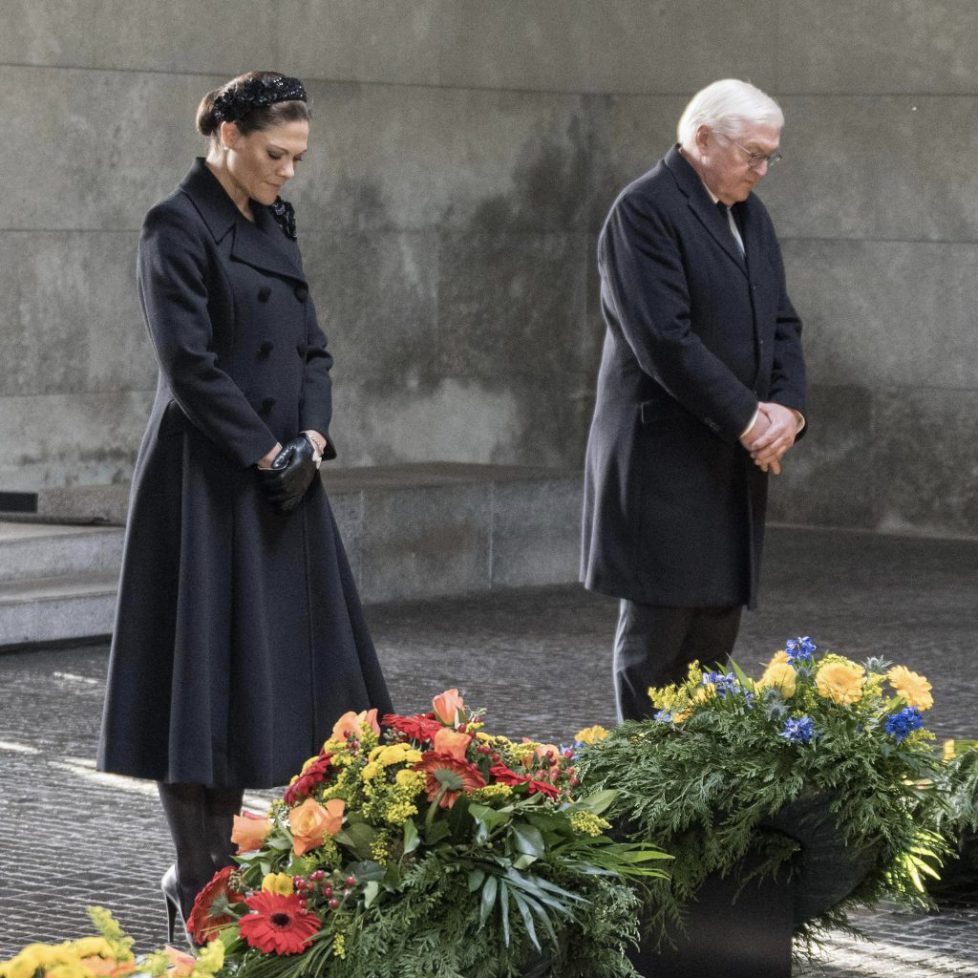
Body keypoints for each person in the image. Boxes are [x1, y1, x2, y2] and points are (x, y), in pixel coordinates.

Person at [96, 71, 393, 942]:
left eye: (298, 158)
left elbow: (312, 346)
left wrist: (314, 438)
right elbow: (189, 366)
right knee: (200, 682)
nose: (288, 173)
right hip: (207, 481)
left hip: (285, 478)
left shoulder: (274, 223)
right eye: (276, 154)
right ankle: (200, 879)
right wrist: (267, 451)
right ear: (226, 132)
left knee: (288, 680)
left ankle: (233, 873)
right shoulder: (175, 225)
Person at [580, 79, 806, 721]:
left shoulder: (746, 212)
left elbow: (782, 323)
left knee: (713, 634)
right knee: (658, 637)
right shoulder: (644, 209)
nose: (762, 171)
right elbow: (663, 339)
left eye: (770, 156)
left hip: (728, 457)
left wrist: (788, 410)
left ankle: (696, 795)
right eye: (753, 154)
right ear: (702, 139)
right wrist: (750, 419)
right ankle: (638, 792)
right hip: (665, 456)